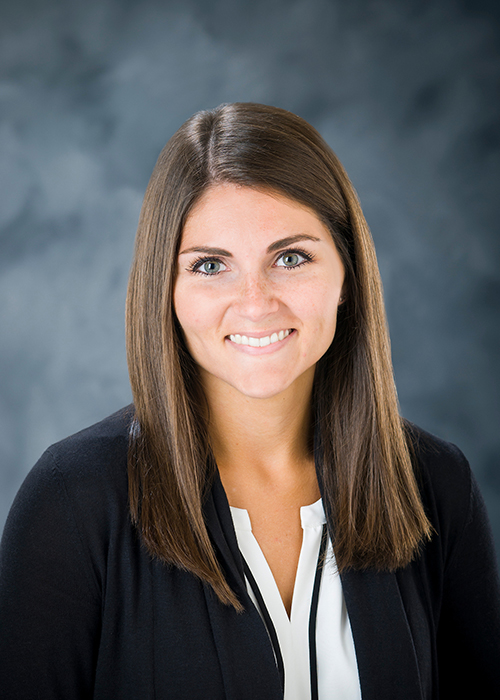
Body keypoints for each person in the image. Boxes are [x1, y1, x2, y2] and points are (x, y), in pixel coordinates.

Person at [0, 103, 499, 700]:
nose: (256, 301)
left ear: (347, 274)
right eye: (211, 266)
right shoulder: (73, 499)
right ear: (167, 289)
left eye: (291, 258)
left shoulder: (435, 485)